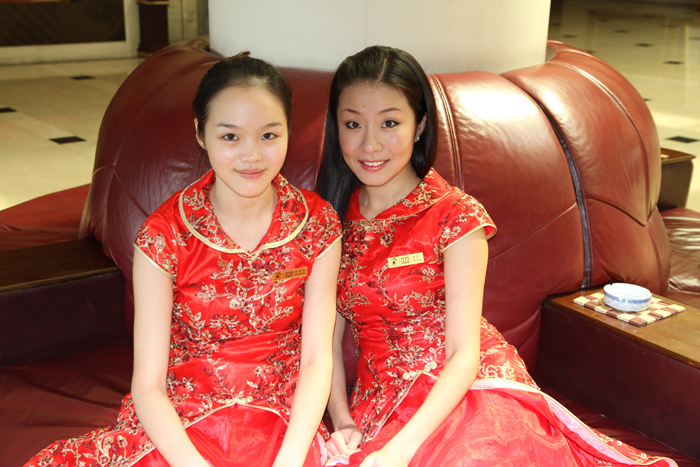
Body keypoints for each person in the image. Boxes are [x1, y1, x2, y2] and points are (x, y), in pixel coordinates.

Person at [316, 45, 676, 467]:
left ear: (419, 126)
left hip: (468, 391)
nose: (370, 144)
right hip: (380, 407)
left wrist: (402, 449)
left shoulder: (455, 216)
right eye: (353, 124)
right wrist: (342, 420)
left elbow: (462, 354)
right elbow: (326, 340)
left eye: (390, 123)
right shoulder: (331, 221)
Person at [25, 53, 341, 467]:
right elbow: (148, 384)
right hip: (181, 423)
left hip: (284, 424)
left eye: (269, 135)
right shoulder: (165, 235)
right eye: (230, 137)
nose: (252, 155)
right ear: (200, 134)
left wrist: (291, 458)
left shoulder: (317, 224)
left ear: (288, 131)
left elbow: (317, 359)